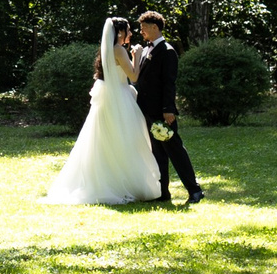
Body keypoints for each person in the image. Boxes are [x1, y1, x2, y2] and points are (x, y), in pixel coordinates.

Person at [43, 16, 163, 204]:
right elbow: (133, 76)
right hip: (120, 99)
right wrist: (137, 55)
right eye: (128, 30)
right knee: (125, 138)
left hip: (110, 98)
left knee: (106, 138)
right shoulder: (119, 50)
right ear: (120, 33)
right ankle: (124, 182)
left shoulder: (107, 50)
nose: (131, 33)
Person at [129, 11, 202, 204]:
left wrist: (168, 109)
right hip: (146, 110)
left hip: (161, 111)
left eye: (144, 27)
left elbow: (169, 83)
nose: (141, 31)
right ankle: (162, 192)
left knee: (174, 149)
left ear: (155, 27)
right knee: (157, 153)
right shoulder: (146, 50)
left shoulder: (167, 51)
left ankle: (195, 190)